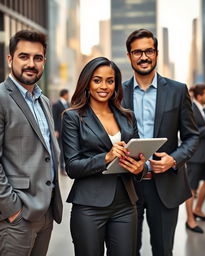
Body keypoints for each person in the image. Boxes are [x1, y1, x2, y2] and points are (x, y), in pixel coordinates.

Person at [0, 30, 63, 256]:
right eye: (24, 56)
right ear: (10, 59)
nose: (31, 63)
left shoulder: (44, 101)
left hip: (45, 212)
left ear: (44, 62)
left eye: (37, 58)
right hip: (16, 217)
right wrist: (12, 209)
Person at [122, 28, 199, 256]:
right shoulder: (117, 92)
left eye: (148, 51)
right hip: (127, 186)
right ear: (129, 56)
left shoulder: (177, 90)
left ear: (156, 54)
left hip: (165, 184)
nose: (143, 57)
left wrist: (173, 160)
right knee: (126, 251)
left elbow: (192, 136)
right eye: (137, 52)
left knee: (163, 251)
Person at [62, 57, 146, 256]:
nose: (104, 86)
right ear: (87, 83)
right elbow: (72, 167)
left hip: (125, 204)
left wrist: (140, 168)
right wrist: (106, 157)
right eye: (97, 80)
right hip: (89, 207)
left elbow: (136, 156)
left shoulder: (127, 116)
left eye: (110, 81)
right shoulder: (73, 117)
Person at [185, 84, 205, 233]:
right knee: (191, 188)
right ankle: (190, 220)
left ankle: (198, 210)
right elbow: (190, 131)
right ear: (199, 96)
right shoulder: (191, 108)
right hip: (196, 155)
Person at [52, 89, 70, 173]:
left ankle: (65, 166)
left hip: (67, 129)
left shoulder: (68, 104)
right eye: (67, 94)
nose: (68, 96)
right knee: (61, 148)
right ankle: (62, 167)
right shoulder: (56, 105)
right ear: (64, 95)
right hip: (59, 130)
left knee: (66, 147)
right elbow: (54, 117)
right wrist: (55, 130)